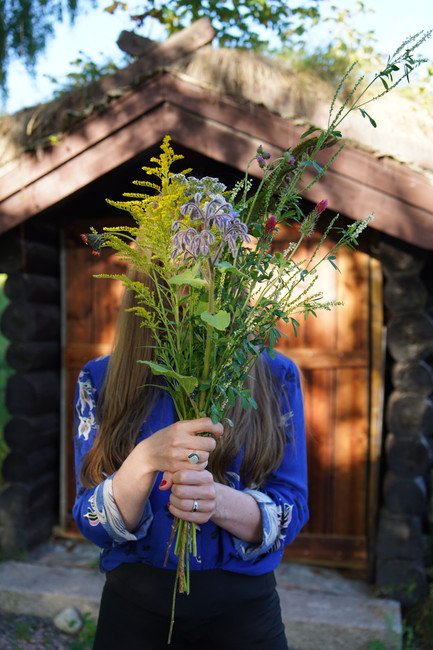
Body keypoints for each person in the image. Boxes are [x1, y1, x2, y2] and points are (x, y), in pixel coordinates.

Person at [72, 271, 309, 650]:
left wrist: (217, 500)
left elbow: (292, 512)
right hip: (134, 608)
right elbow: (92, 521)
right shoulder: (101, 378)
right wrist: (144, 459)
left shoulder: (275, 374)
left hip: (245, 611)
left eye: (215, 265)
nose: (199, 283)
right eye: (181, 267)